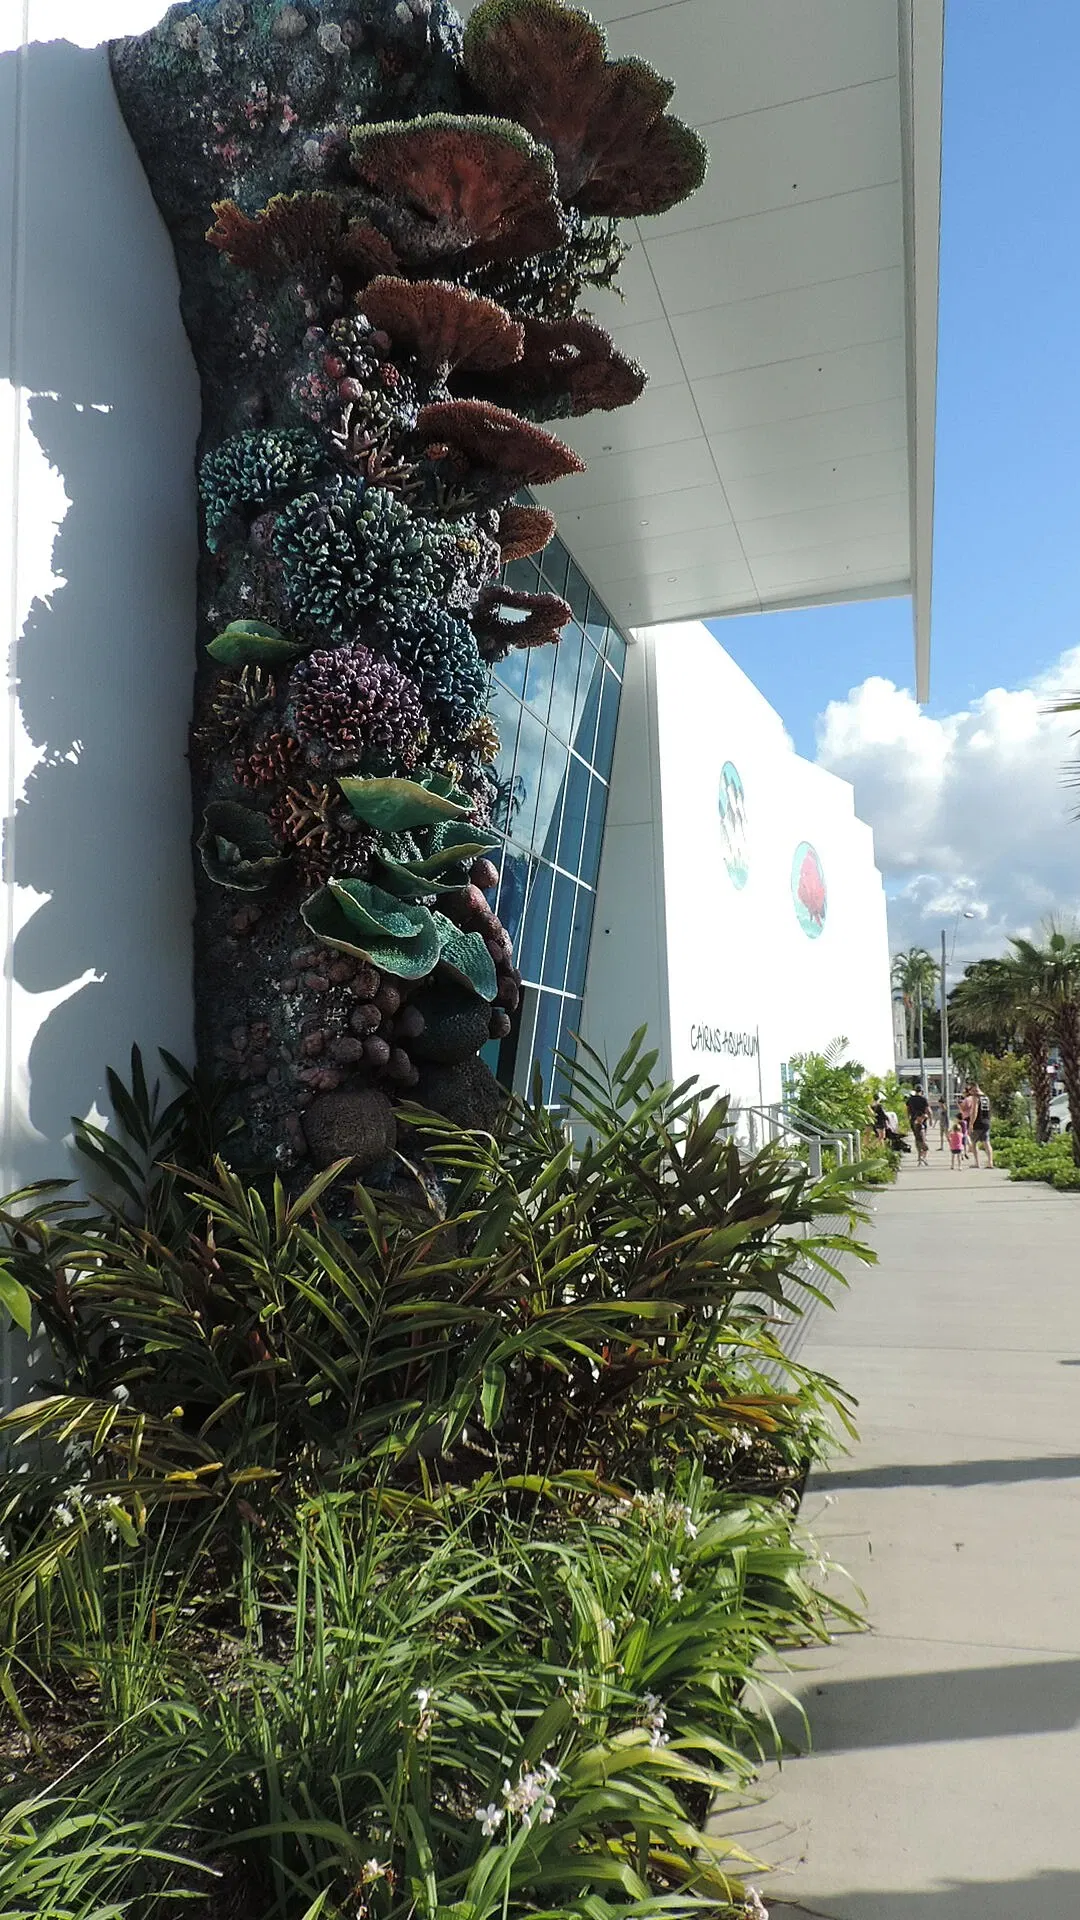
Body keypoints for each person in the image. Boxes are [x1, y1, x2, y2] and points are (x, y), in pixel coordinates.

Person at [969, 1080, 994, 1168]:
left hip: (978, 1123)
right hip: (986, 1121)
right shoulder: (986, 1097)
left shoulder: (976, 1097)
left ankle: (977, 1163)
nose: (970, 1092)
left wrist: (971, 1123)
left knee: (974, 1142)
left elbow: (974, 1111)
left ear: (974, 1088)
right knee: (986, 1142)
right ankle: (990, 1162)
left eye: (970, 1089)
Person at [905, 1084, 931, 1166]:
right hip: (923, 1120)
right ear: (922, 1091)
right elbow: (928, 1110)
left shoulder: (910, 1099)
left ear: (915, 1090)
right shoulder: (924, 1099)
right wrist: (930, 1119)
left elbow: (907, 1110)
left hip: (913, 1120)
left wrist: (908, 1118)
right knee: (923, 1138)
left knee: (917, 1138)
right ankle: (923, 1156)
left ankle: (919, 1155)